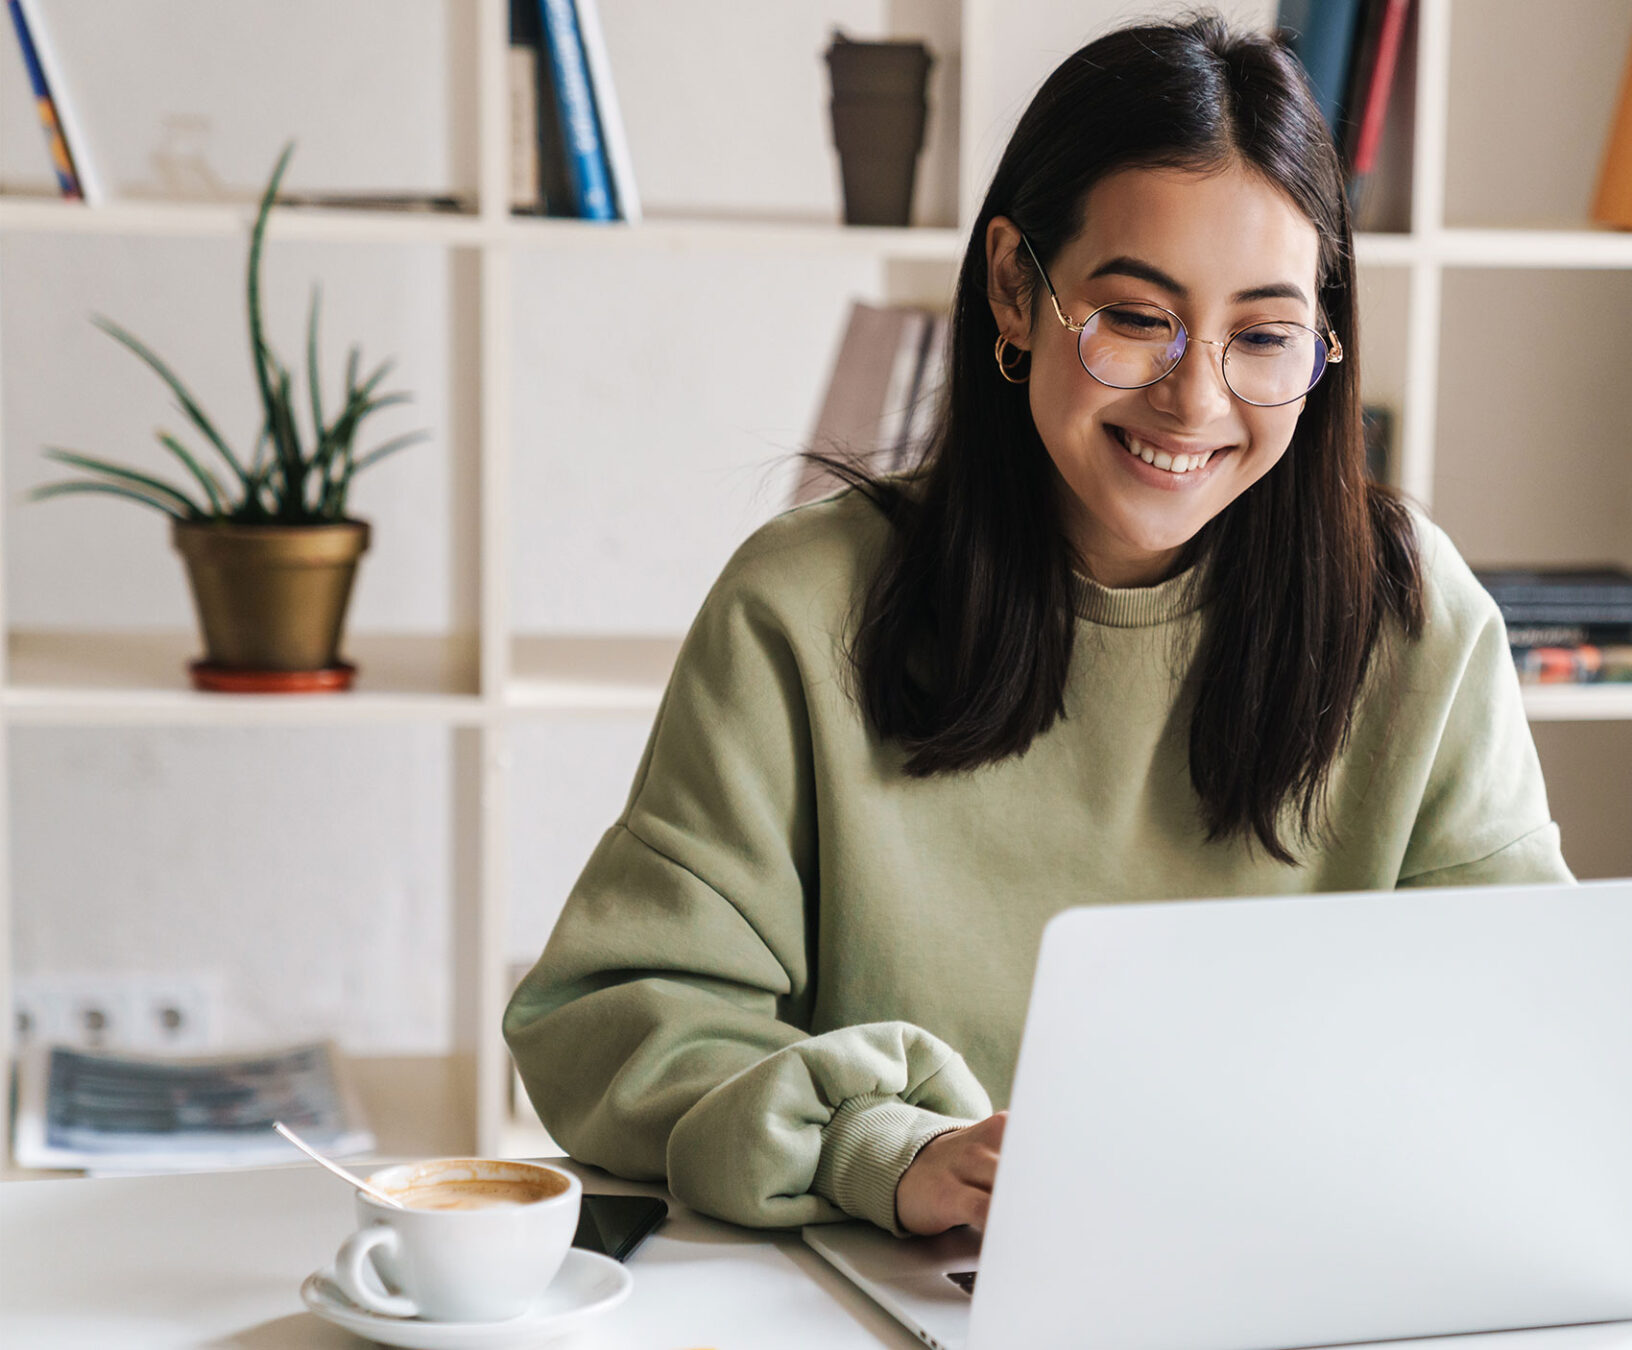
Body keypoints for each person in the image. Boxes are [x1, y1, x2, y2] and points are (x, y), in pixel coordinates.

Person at [503, 12, 1572, 1241]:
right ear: (1016, 287)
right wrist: (879, 1147)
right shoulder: (802, 611)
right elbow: (614, 1016)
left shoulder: (1413, 619)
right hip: (913, 1290)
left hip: (1294, 1276)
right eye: (1134, 316)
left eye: (1265, 336)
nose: (1196, 398)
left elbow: (1524, 1023)